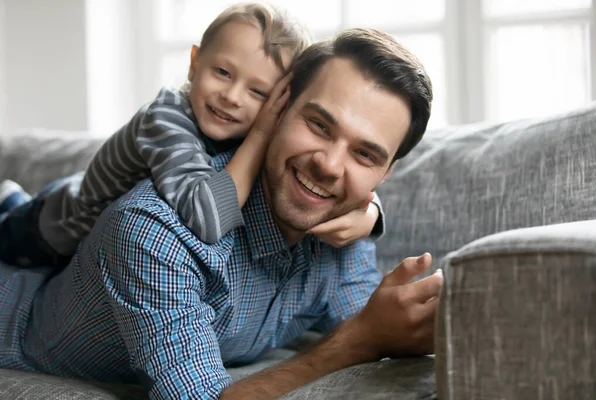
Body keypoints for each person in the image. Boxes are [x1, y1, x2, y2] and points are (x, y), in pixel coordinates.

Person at [0, 28, 441, 400]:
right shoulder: (156, 232)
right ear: (277, 109)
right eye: (319, 125)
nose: (328, 165)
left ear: (385, 171)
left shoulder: (343, 228)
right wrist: (356, 341)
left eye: (364, 154)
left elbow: (377, 327)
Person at [0, 2, 385, 268]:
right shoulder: (165, 119)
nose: (232, 98)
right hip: (51, 229)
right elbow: (207, 217)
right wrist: (262, 132)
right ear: (194, 62)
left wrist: (370, 212)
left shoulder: (249, 130)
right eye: (222, 72)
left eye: (258, 92)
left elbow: (325, 182)